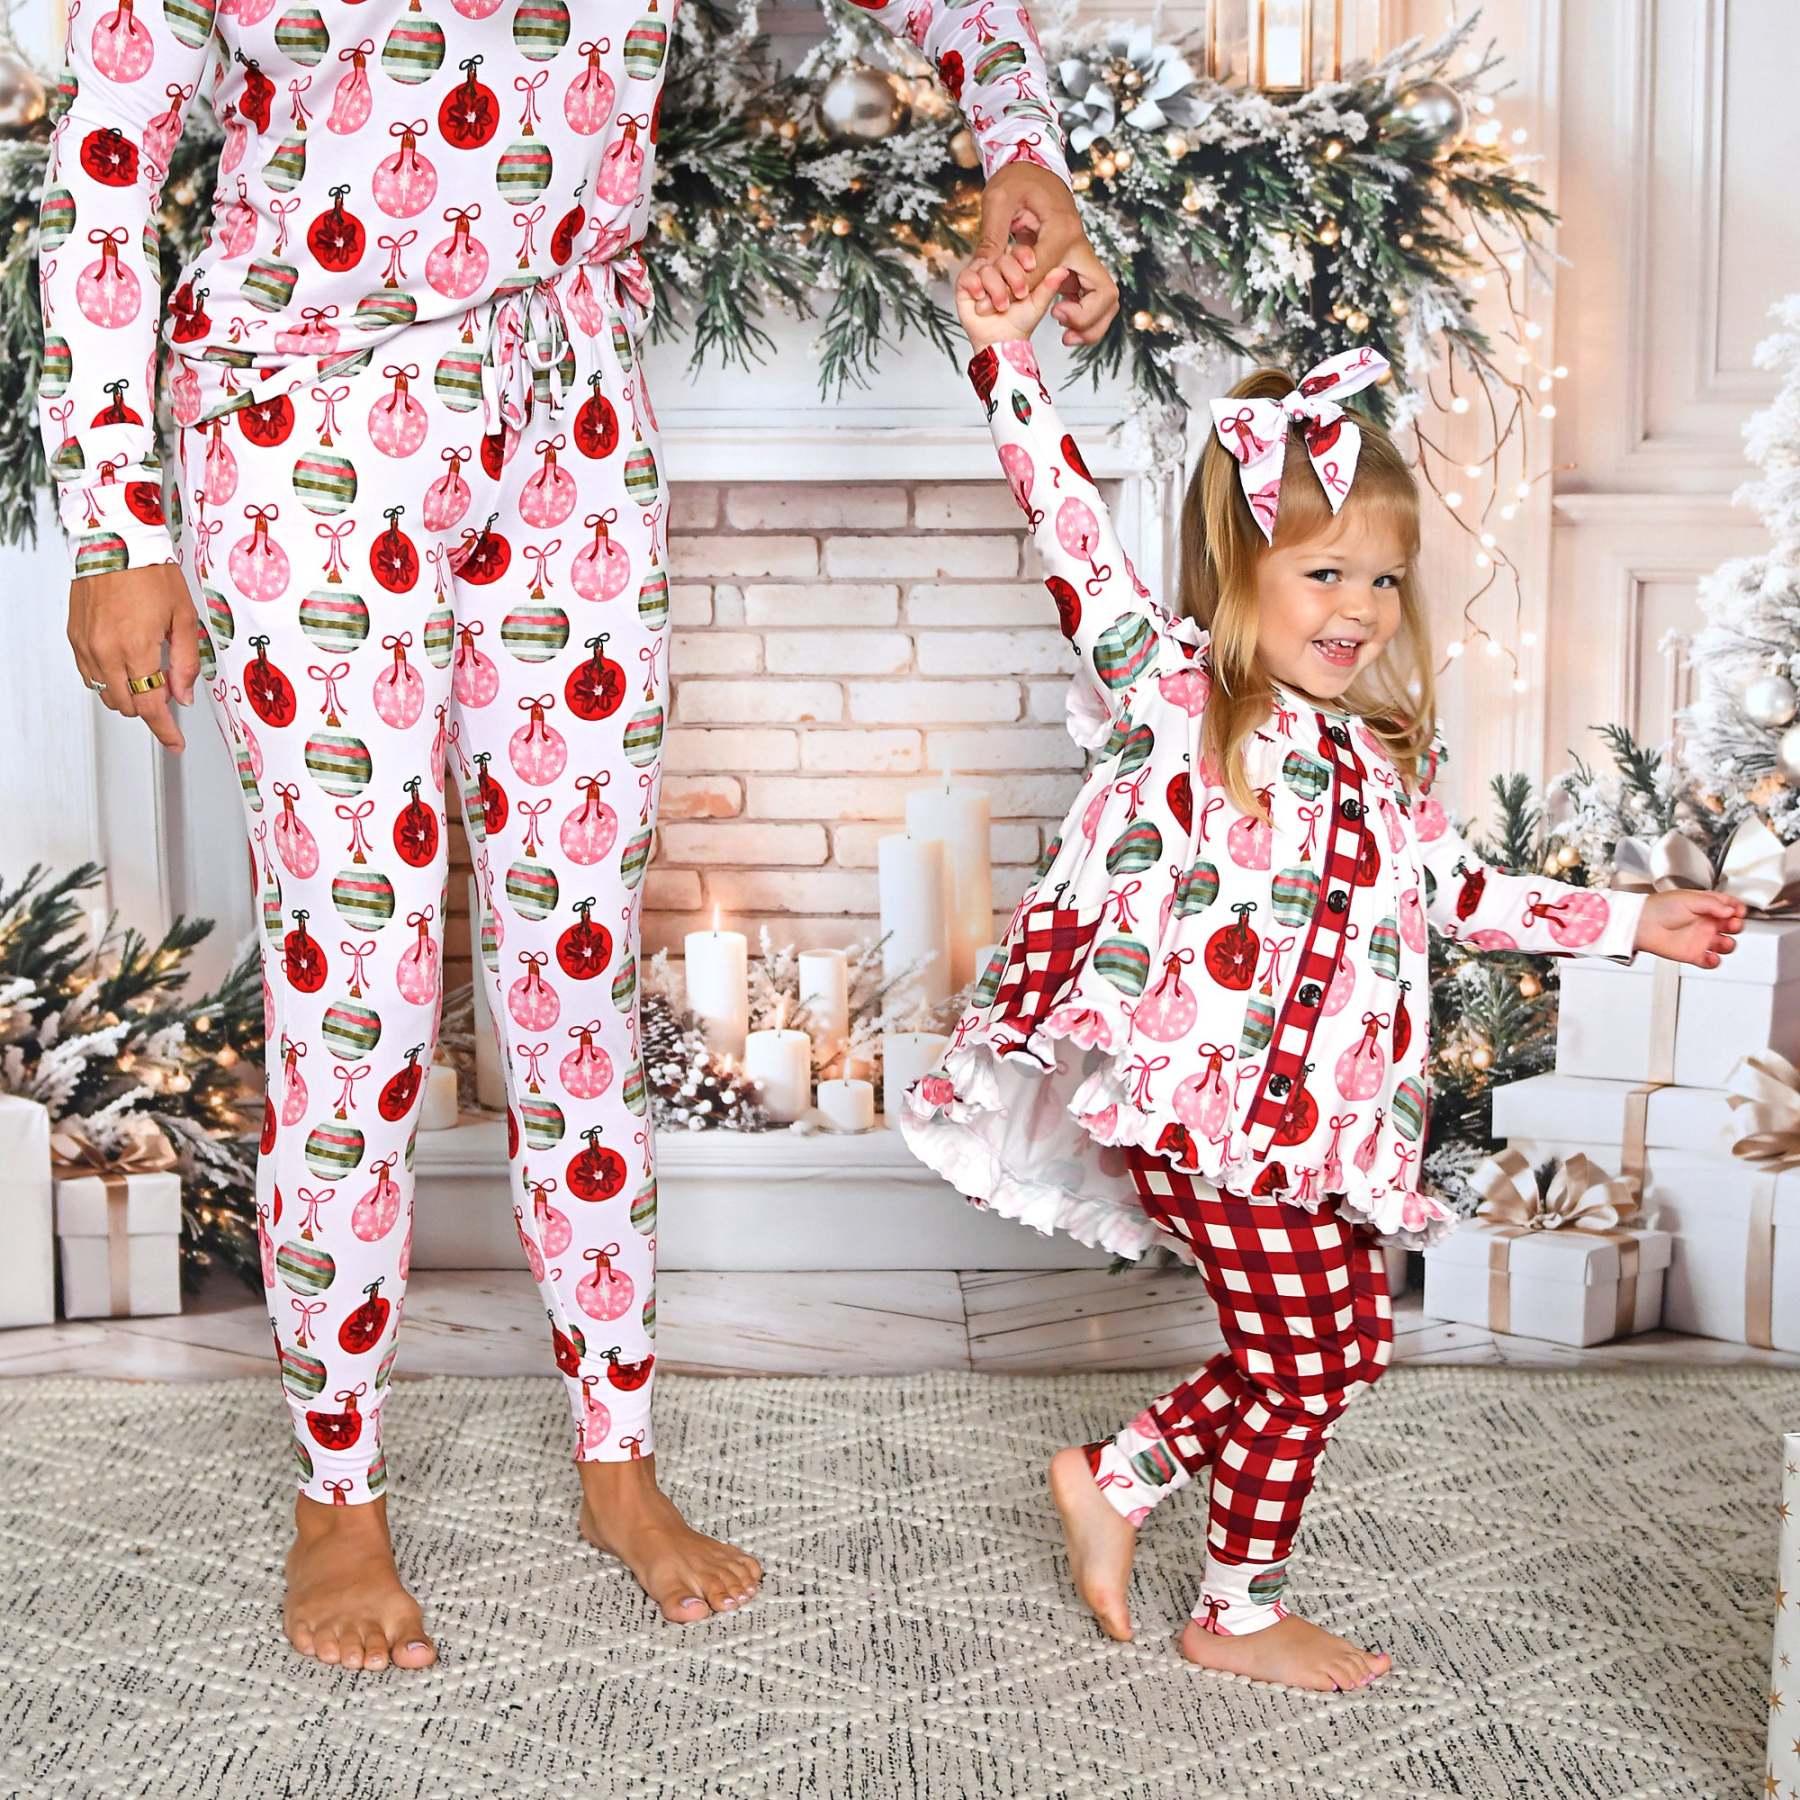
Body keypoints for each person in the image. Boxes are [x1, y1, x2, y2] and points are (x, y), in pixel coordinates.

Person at [35, 0, 1119, 1672]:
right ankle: (339, 1497)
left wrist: (1019, 138)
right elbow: (107, 162)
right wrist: (116, 518)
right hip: (300, 414)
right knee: (359, 990)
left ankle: (619, 1459)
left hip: (573, 404)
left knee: (578, 977)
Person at [904, 267, 1747, 1692]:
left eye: (1384, 577)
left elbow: (1462, 896)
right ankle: (1234, 1612)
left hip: (1308, 1131)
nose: (1360, 608)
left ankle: (1119, 1476)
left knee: (1345, 1347)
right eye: (1324, 572)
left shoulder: (1379, 760)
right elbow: (1068, 526)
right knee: (1303, 1362)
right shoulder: (1177, 696)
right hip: (1197, 1108)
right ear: (1240, 574)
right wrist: (1005, 362)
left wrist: (1630, 921)